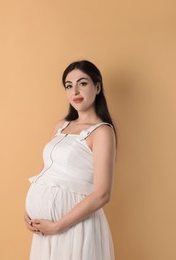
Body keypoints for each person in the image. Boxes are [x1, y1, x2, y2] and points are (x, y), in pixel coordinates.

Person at [24, 60, 116, 260]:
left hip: (75, 228)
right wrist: (29, 211)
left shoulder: (101, 132)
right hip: (45, 231)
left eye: (82, 83)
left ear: (97, 87)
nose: (75, 91)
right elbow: (46, 171)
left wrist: (58, 225)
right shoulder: (60, 126)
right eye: (68, 85)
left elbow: (102, 194)